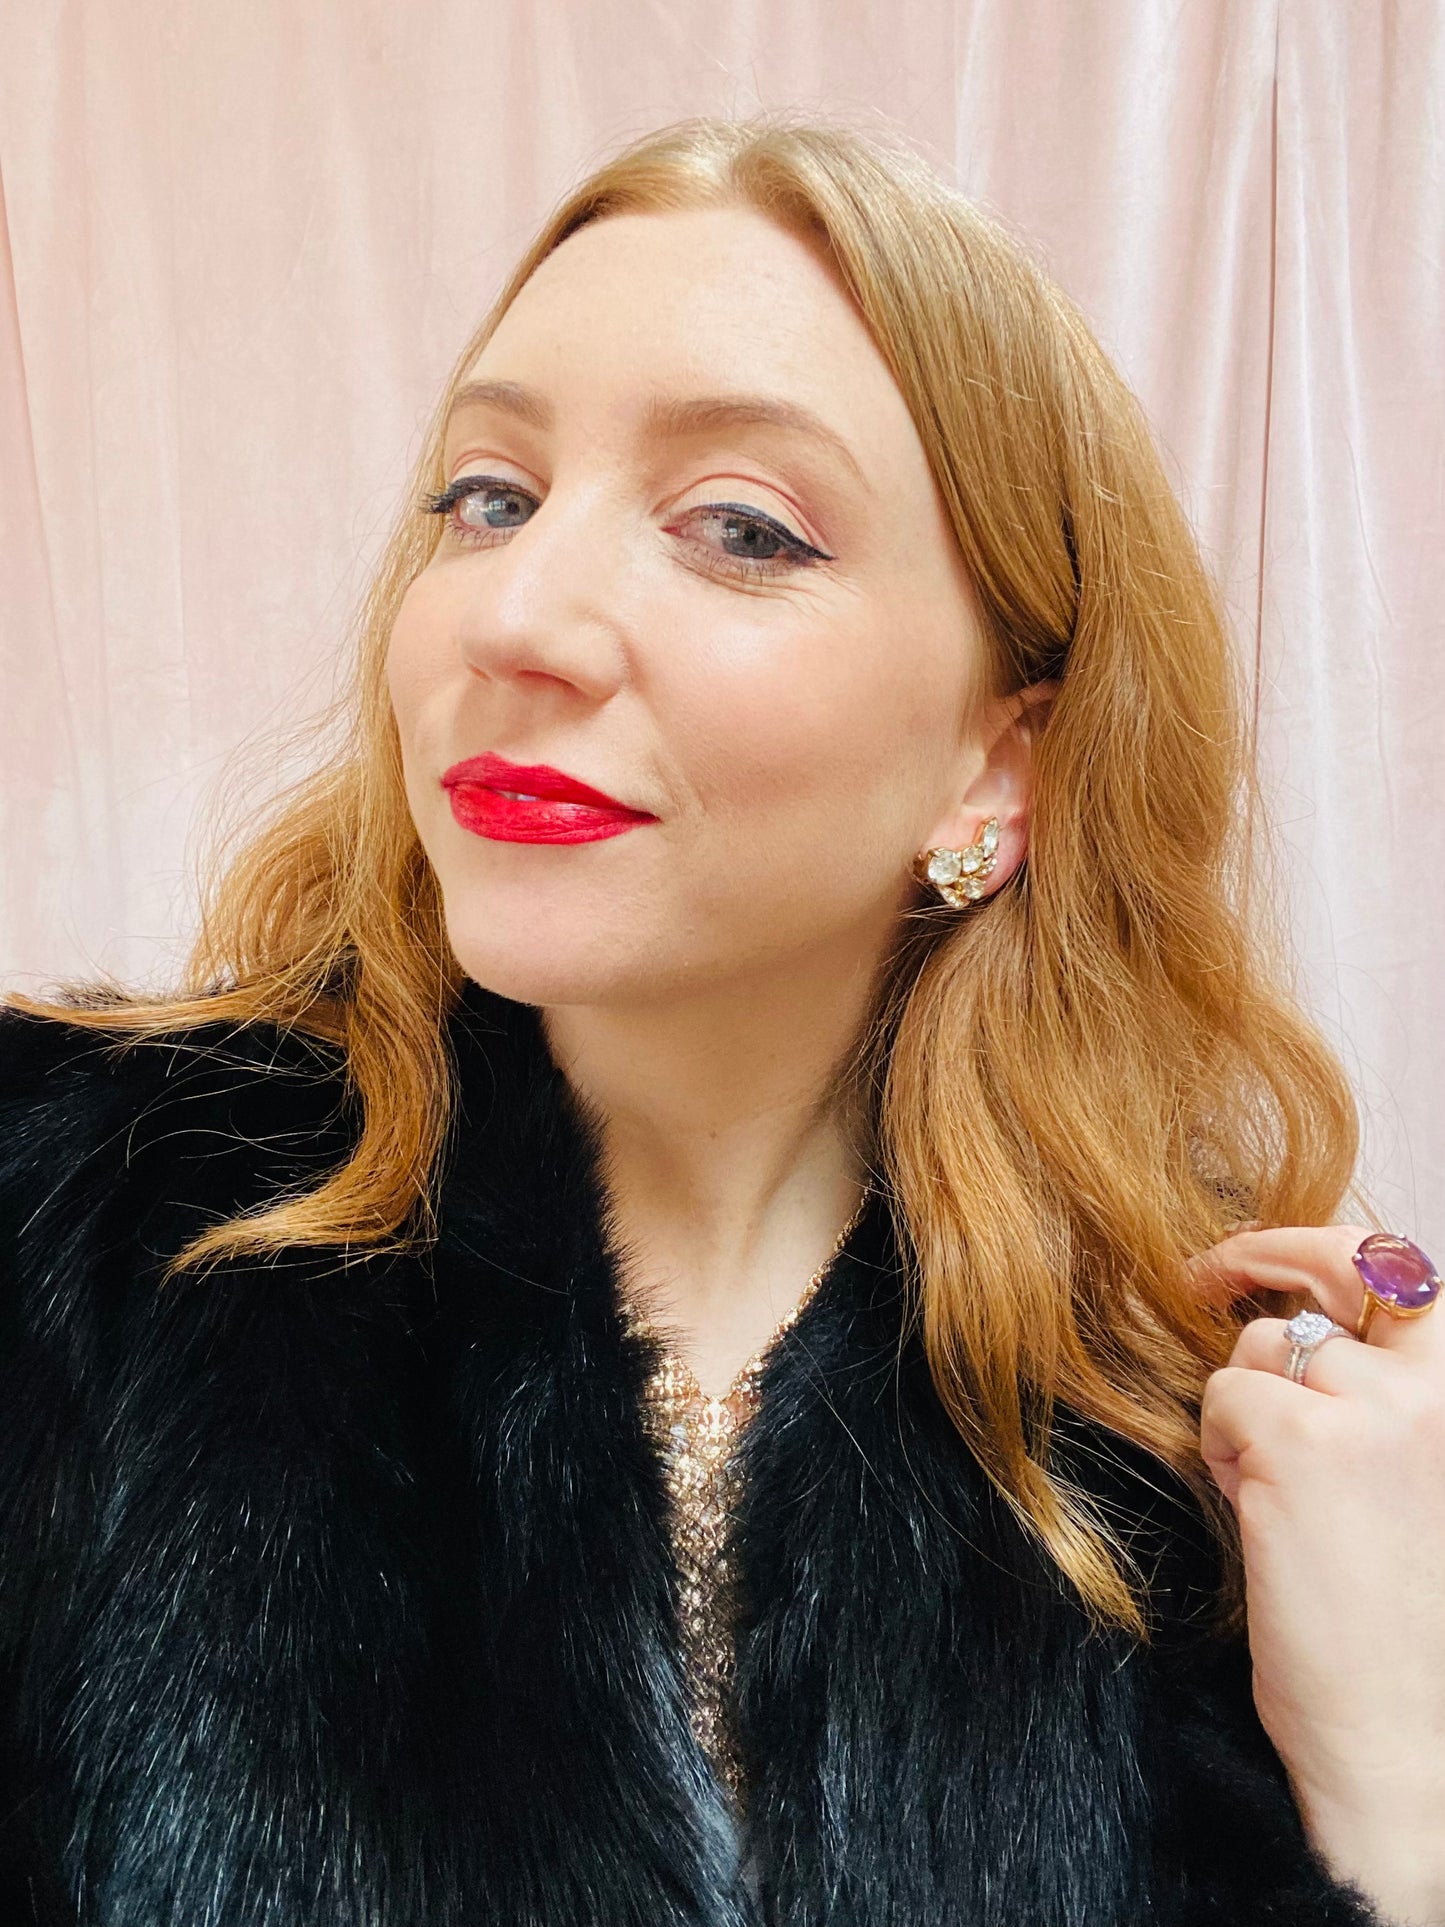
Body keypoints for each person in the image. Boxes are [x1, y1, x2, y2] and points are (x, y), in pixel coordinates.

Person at [0, 111, 1440, 1926]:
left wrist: (1400, 1784)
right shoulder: (69, 1234)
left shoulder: (1193, 1451)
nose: (516, 615)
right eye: (488, 497)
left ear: (998, 761)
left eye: (740, 528)